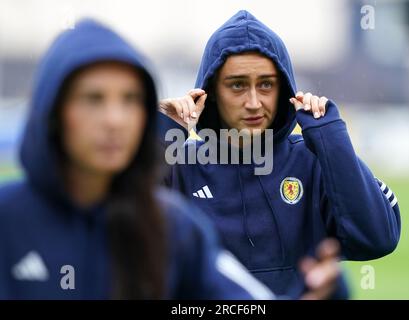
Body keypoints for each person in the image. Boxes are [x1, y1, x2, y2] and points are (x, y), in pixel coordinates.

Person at [0, 19, 340, 300]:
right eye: (93, 99)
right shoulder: (8, 218)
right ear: (52, 111)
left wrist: (318, 291)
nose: (115, 119)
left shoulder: (171, 225)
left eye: (131, 100)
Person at [158, 10, 402, 298]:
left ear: (283, 88)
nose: (253, 102)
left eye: (266, 84)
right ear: (210, 92)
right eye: (237, 85)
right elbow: (113, 234)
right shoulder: (178, 165)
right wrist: (159, 133)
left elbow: (376, 239)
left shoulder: (313, 159)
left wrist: (330, 138)